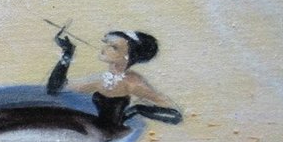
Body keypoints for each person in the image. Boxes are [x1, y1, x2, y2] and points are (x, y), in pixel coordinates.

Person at [47, 28, 182, 129]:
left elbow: (175, 115)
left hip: (115, 136)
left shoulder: (132, 82)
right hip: (98, 130)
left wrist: (137, 109)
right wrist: (68, 53)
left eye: (113, 47)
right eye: (106, 43)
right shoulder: (102, 79)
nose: (104, 49)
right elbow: (55, 88)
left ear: (127, 56)